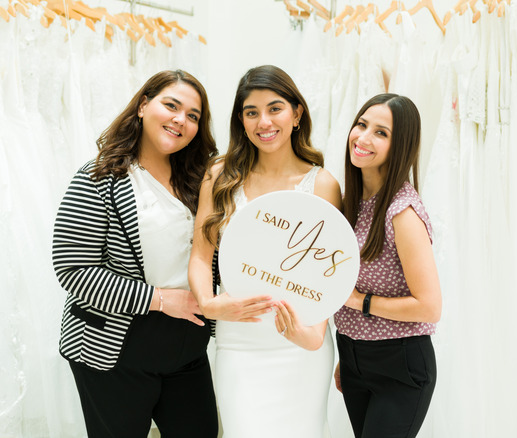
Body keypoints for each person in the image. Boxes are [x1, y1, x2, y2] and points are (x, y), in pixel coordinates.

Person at [52, 70, 219, 438]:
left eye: (193, 116)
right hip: (113, 350)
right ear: (143, 106)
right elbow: (73, 269)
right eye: (171, 106)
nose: (181, 120)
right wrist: (160, 300)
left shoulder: (200, 181)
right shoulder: (98, 177)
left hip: (188, 347)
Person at [188, 65, 342, 438]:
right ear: (241, 121)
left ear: (296, 114)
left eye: (275, 108)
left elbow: (327, 275)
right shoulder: (220, 174)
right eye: (251, 112)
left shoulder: (322, 184)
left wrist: (314, 335)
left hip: (301, 346)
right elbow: (200, 254)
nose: (263, 122)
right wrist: (208, 303)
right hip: (239, 342)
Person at [333, 93, 442, 438]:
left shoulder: (402, 212)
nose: (363, 137)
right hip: (354, 359)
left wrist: (357, 301)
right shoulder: (351, 204)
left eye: (381, 132)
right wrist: (349, 358)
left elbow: (429, 307)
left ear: (400, 146)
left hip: (400, 365)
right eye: (362, 125)